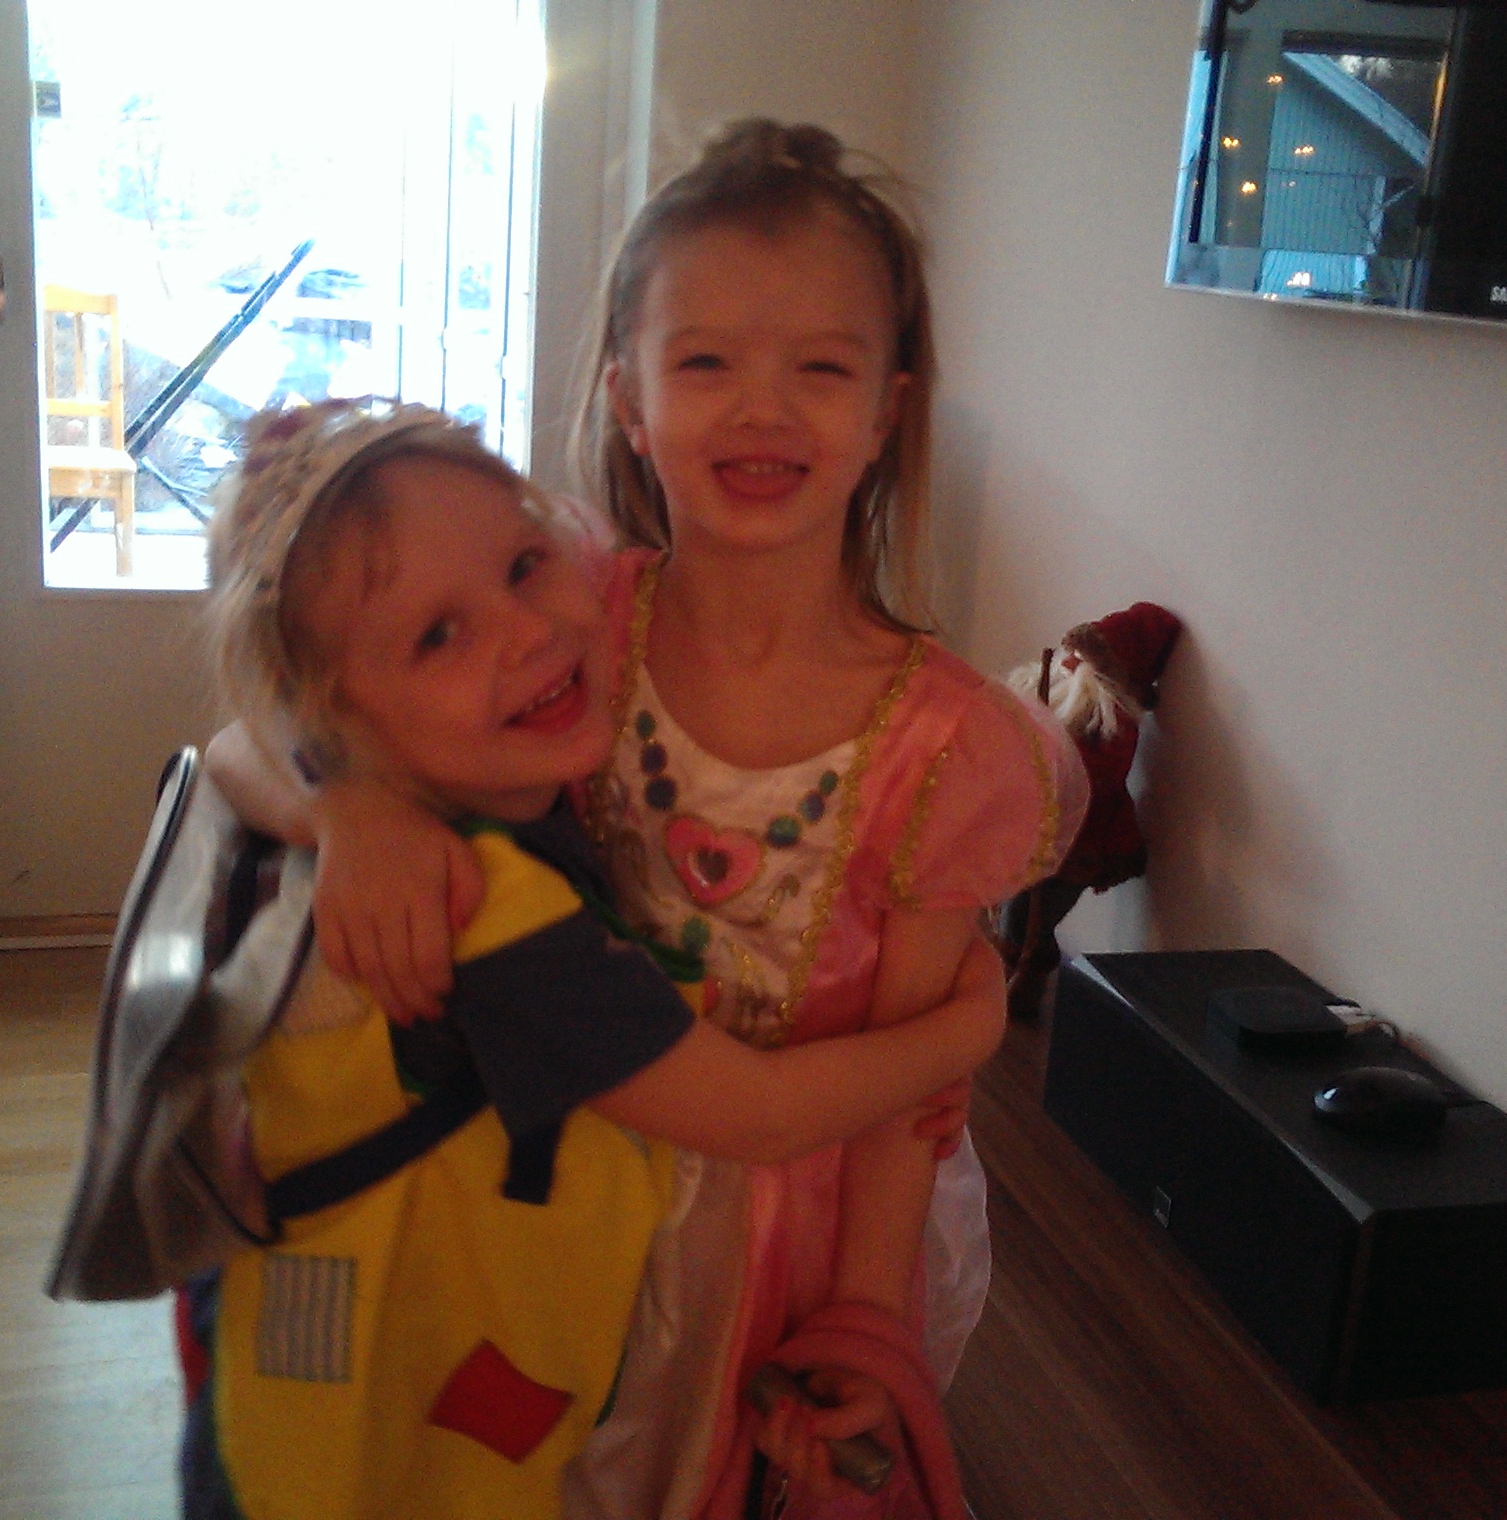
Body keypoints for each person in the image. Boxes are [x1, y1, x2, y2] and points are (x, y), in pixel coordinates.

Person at [282, 121, 1090, 1519]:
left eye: (820, 369)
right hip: (556, 1181)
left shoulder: (951, 748)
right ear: (630, 399)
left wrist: (865, 1320)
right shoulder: (565, 614)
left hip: (797, 1239)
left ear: (887, 409)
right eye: (707, 362)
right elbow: (287, 712)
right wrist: (358, 802)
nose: (763, 410)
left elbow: (905, 1106)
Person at [183, 396, 1015, 1520]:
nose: (525, 631)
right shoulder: (489, 914)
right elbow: (761, 1114)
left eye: (525, 565)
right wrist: (965, 1027)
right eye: (439, 635)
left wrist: (348, 804)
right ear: (335, 721)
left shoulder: (452, 804)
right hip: (363, 1452)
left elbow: (231, 749)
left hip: (336, 1389)